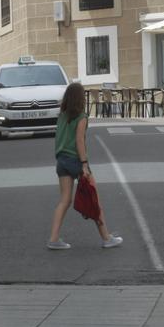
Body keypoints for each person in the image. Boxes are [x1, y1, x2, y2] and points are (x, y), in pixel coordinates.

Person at [48, 82, 123, 250]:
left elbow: (59, 138)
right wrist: (84, 164)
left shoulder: (62, 116)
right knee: (94, 199)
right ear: (81, 99)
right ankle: (106, 237)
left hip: (61, 161)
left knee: (64, 200)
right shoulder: (81, 117)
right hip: (76, 160)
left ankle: (53, 238)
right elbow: (80, 141)